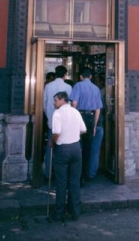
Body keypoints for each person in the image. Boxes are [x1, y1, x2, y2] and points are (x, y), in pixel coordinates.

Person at [50, 91, 86, 222]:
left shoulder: (58, 113)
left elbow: (56, 132)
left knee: (61, 183)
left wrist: (52, 141)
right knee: (74, 182)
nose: (54, 103)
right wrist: (73, 134)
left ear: (61, 100)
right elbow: (84, 129)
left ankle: (59, 213)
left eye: (55, 101)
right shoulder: (75, 112)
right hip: (76, 148)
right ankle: (75, 212)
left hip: (63, 149)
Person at [70, 67, 103, 186]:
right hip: (90, 118)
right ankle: (85, 175)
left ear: (81, 76)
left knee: (77, 148)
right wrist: (94, 125)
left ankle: (78, 177)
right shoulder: (96, 88)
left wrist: (72, 118)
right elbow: (98, 109)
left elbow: (73, 103)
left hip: (79, 116)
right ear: (91, 77)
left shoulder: (78, 85)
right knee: (88, 150)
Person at [43, 65, 72, 180]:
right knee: (63, 148)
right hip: (65, 123)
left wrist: (49, 115)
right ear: (65, 75)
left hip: (52, 121)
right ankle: (62, 174)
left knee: (50, 146)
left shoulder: (48, 86)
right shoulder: (68, 87)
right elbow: (70, 105)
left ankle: (48, 173)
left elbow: (44, 104)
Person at [88, 74, 105, 180]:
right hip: (97, 124)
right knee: (95, 150)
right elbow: (98, 109)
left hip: (92, 124)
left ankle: (86, 172)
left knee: (86, 149)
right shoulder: (97, 91)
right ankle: (91, 173)